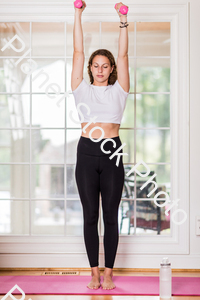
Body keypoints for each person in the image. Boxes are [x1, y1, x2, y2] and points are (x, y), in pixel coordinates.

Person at [71, 1, 130, 290]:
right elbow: (78, 52)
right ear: (90, 68)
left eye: (105, 66)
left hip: (112, 154)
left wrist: (122, 21)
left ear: (111, 69)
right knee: (90, 215)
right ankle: (93, 271)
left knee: (110, 214)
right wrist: (77, 14)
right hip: (86, 152)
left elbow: (123, 53)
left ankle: (108, 273)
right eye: (96, 65)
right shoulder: (80, 88)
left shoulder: (120, 89)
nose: (100, 69)